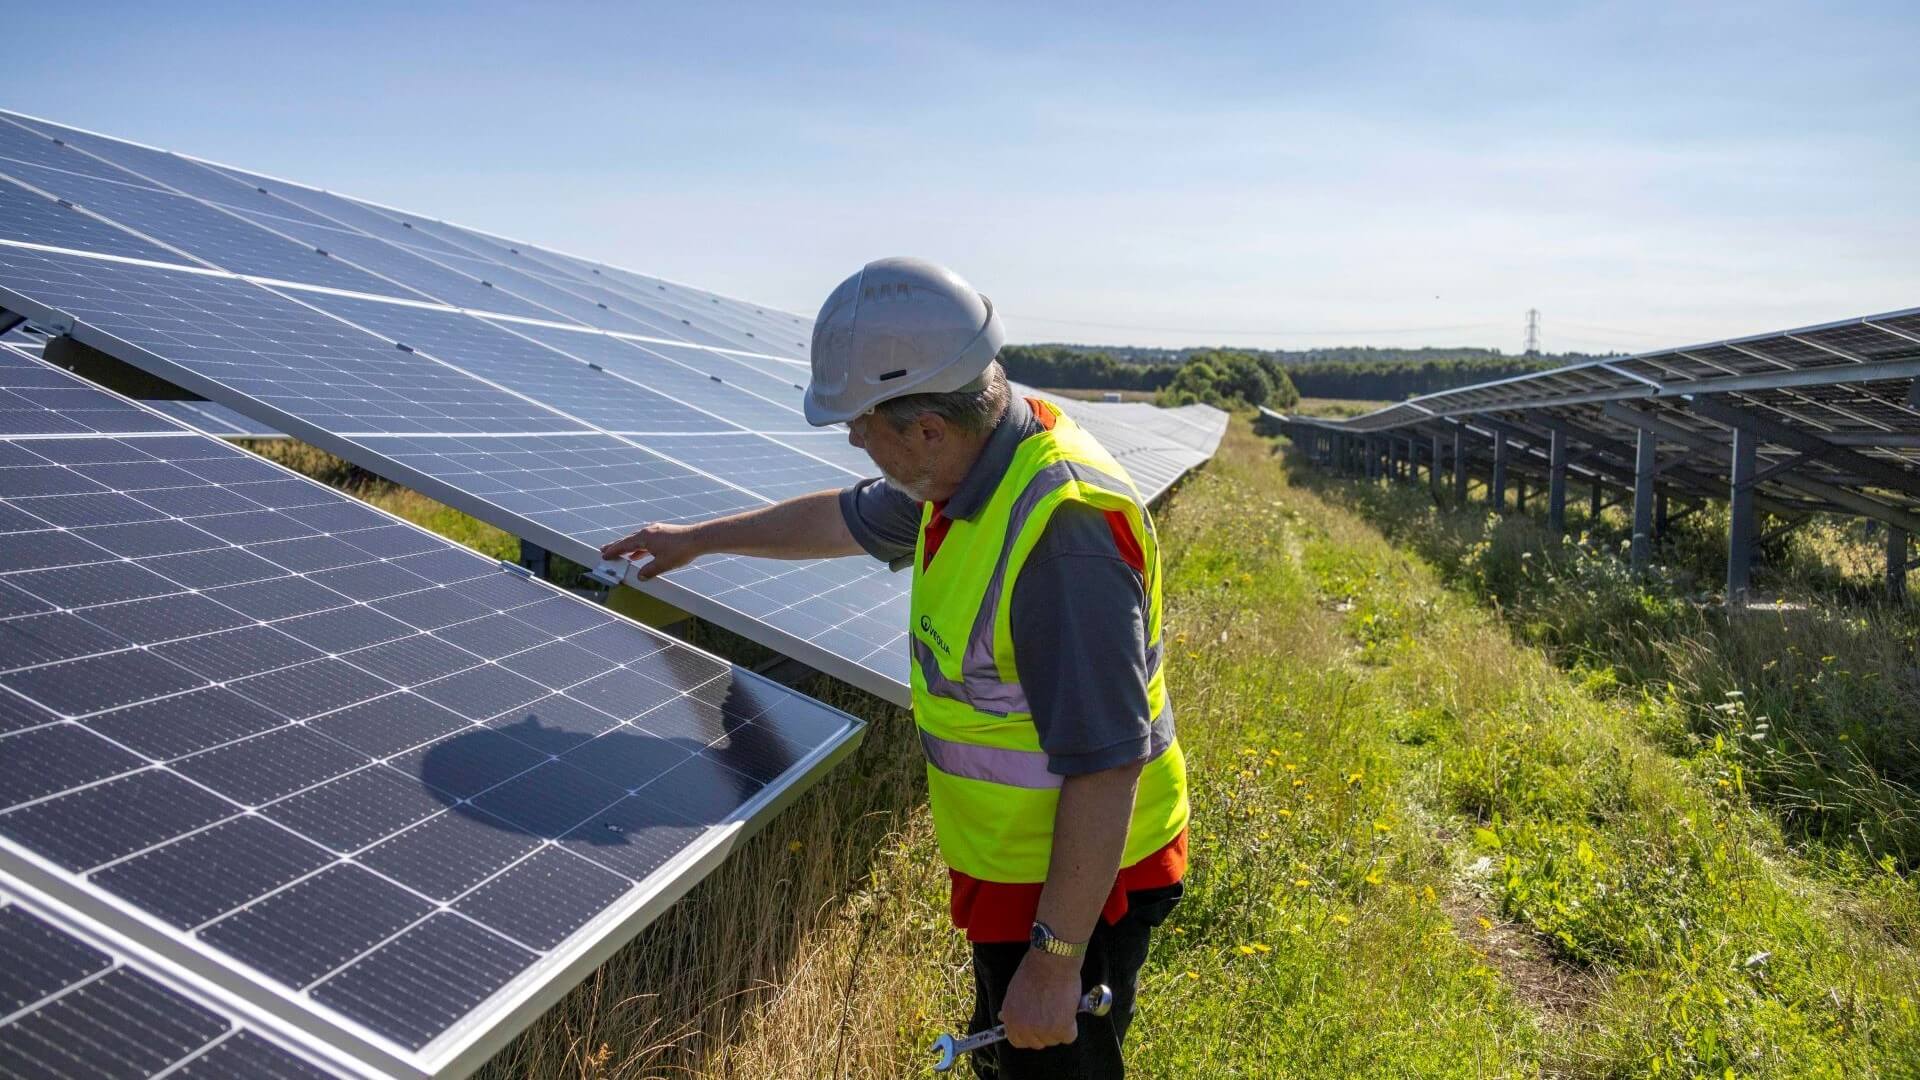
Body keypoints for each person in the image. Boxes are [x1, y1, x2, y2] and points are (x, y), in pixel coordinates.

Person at [600, 257, 1189, 1078]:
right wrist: (696, 538)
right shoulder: (966, 469)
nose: (851, 441)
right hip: (1021, 866)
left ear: (927, 428)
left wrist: (1055, 962)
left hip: (1085, 882)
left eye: (858, 424)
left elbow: (1107, 766)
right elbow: (839, 520)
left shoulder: (1064, 537)